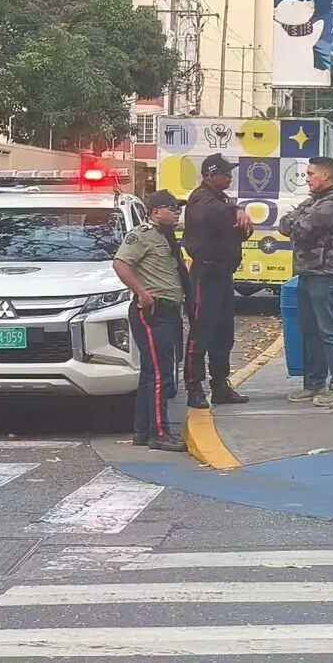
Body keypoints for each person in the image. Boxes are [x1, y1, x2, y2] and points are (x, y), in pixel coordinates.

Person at [112, 190, 189, 451]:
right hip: (154, 312)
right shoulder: (142, 235)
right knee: (160, 374)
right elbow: (121, 264)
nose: (177, 212)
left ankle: (143, 431)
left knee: (151, 373)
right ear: (156, 211)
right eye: (172, 207)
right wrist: (141, 292)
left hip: (168, 311)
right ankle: (159, 433)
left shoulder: (164, 237)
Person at [278, 156, 333, 407]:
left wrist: (295, 220)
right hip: (309, 274)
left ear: (325, 175)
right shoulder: (315, 201)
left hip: (328, 275)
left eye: (311, 174)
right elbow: (284, 225)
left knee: (329, 332)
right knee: (310, 332)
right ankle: (313, 384)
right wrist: (295, 220)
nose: (307, 179)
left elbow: (299, 229)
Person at [182, 153, 254, 409]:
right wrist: (236, 210)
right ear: (210, 175)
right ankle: (194, 386)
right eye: (225, 172)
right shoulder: (201, 198)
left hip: (224, 274)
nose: (230, 176)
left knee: (224, 333)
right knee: (201, 332)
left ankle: (220, 384)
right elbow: (212, 214)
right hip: (205, 274)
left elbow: (237, 232)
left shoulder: (221, 199)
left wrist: (243, 224)